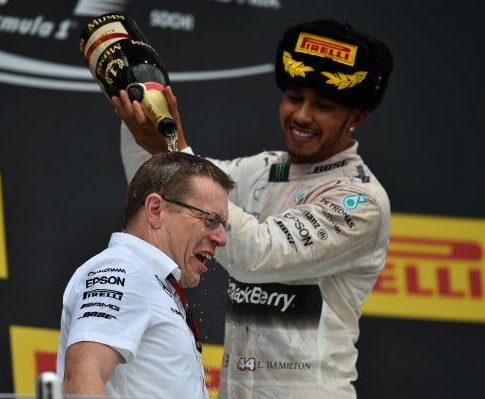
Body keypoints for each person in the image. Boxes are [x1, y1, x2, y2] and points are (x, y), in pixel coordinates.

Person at [113, 19, 394, 399]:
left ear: (356, 118)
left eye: (324, 106)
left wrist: (174, 150)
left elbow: (257, 254)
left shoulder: (360, 202)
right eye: (294, 97)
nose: (302, 116)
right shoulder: (267, 169)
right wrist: (142, 116)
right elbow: (160, 186)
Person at [56, 152, 235, 398]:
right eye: (210, 219)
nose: (221, 238)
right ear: (156, 209)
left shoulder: (149, 279)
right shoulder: (125, 269)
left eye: (225, 225)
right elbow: (82, 376)